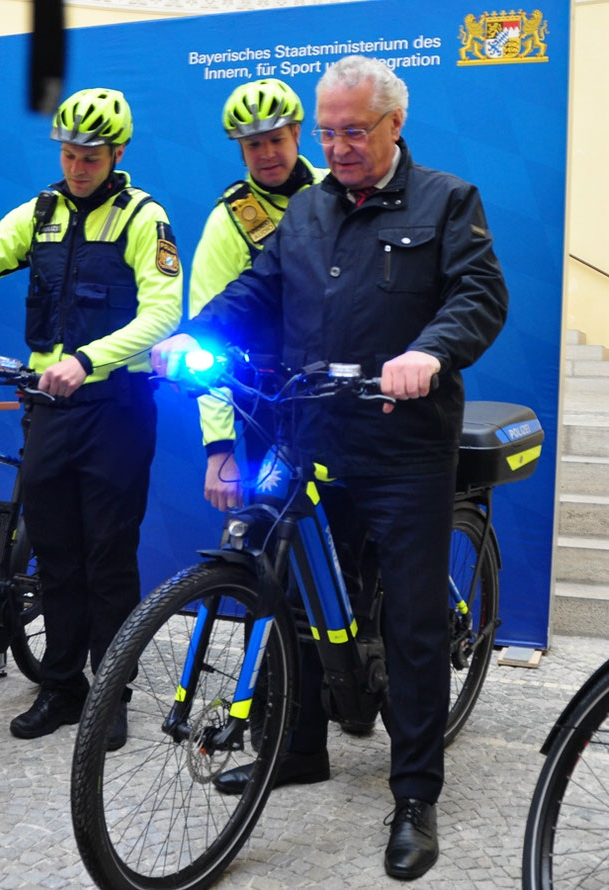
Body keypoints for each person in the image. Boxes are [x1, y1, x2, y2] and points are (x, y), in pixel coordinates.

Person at [151, 56, 508, 881]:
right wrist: (194, 333)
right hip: (310, 438)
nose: (339, 146)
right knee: (298, 598)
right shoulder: (306, 212)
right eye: (330, 131)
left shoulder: (446, 201)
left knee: (412, 626)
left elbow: (478, 296)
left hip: (404, 448)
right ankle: (298, 749)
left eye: (355, 130)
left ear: (393, 126)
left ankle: (415, 794)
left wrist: (428, 351)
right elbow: (257, 290)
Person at [0, 87, 182, 751]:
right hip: (51, 411)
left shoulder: (143, 219)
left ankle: (111, 689)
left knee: (107, 555)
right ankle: (62, 687)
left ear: (116, 152)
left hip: (117, 408)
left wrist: (88, 361)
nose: (77, 164)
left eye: (90, 154)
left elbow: (162, 314)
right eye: (68, 152)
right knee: (58, 554)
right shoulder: (41, 213)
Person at [190, 79, 326, 511]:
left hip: (341, 397)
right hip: (266, 405)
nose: (266, 154)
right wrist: (219, 449)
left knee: (353, 539)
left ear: (298, 132)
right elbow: (208, 338)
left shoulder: (336, 192)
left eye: (275, 139)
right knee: (268, 543)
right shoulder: (229, 219)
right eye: (253, 145)